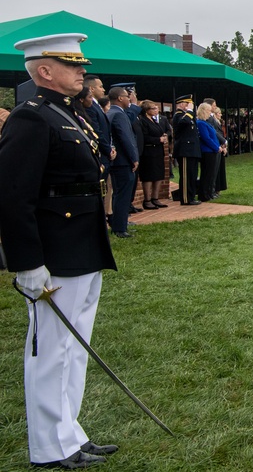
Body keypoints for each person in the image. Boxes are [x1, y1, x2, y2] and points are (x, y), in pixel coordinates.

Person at [0, 33, 119, 468]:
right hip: (53, 253)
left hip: (83, 244)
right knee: (51, 351)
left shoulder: (68, 113)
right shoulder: (30, 118)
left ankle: (69, 434)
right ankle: (49, 448)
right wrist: (26, 262)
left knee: (75, 347)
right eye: (72, 65)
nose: (82, 71)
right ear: (44, 71)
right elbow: (14, 196)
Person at [107, 86, 140, 239]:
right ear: (120, 98)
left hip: (118, 161)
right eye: (127, 96)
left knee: (119, 194)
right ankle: (120, 227)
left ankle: (119, 223)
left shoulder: (112, 112)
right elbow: (126, 138)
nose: (129, 99)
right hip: (123, 161)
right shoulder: (118, 115)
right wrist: (134, 158)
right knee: (123, 194)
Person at [136, 100, 171, 209]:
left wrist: (165, 136)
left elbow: (165, 130)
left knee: (158, 175)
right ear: (147, 110)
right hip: (149, 152)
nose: (157, 110)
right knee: (149, 176)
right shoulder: (143, 121)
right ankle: (147, 200)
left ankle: (155, 198)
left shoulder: (156, 120)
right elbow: (144, 137)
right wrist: (158, 139)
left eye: (156, 108)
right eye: (154, 108)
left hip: (158, 151)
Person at [172, 94, 201, 205]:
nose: (190, 106)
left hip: (192, 149)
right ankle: (185, 198)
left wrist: (190, 113)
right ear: (182, 104)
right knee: (186, 176)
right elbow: (183, 123)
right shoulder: (178, 115)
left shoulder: (187, 116)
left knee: (192, 175)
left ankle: (191, 196)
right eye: (188, 104)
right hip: (184, 149)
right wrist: (189, 111)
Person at [196, 103, 222, 202]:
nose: (210, 113)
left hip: (212, 151)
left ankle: (209, 192)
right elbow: (206, 138)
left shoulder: (206, 123)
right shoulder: (201, 123)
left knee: (211, 174)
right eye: (208, 111)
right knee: (206, 174)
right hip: (207, 151)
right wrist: (216, 147)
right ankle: (204, 194)